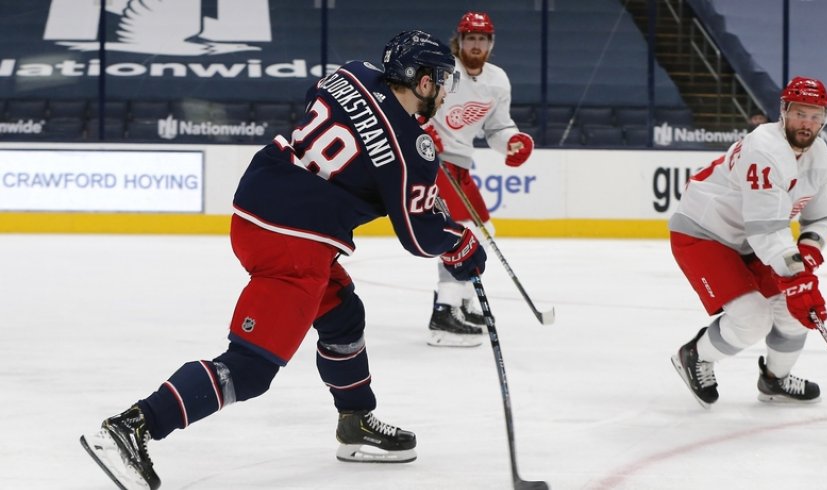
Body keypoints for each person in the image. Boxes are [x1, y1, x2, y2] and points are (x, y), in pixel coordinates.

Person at [80, 30, 486, 489]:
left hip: (258, 202)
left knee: (342, 315)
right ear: (423, 81)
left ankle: (355, 422)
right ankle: (132, 427)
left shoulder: (351, 73)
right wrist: (462, 245)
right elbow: (418, 237)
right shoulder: (414, 151)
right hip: (295, 240)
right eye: (443, 80)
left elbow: (333, 116)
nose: (447, 90)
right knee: (250, 368)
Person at [669, 76, 827, 408]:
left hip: (752, 240)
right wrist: (796, 276)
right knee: (752, 317)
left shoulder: (818, 155)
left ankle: (775, 380)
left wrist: (809, 253)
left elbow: (819, 218)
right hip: (705, 233)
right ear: (784, 112)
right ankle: (695, 356)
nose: (808, 123)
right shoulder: (765, 149)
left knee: (791, 310)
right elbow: (766, 232)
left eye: (816, 116)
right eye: (801, 113)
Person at [420, 11, 535, 347]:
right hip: (431, 161)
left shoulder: (497, 80)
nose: (476, 44)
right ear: (460, 40)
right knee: (461, 233)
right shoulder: (442, 69)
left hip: (459, 164)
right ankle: (444, 311)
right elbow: (412, 104)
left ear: (490, 43)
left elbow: (498, 127)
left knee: (484, 231)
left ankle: (462, 302)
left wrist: (512, 143)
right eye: (470, 38)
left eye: (482, 39)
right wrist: (424, 130)